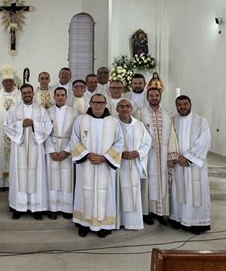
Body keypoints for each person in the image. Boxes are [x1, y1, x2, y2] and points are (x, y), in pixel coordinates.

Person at [71, 94, 123, 238]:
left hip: (105, 166)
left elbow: (119, 143)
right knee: (85, 192)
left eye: (101, 103)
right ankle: (84, 224)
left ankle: (104, 225)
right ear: (90, 103)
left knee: (104, 194)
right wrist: (87, 155)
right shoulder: (81, 120)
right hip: (86, 164)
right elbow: (74, 140)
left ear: (106, 104)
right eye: (95, 102)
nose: (98, 105)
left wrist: (105, 157)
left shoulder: (113, 122)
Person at [4, 84, 53, 220]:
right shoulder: (13, 110)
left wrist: (34, 124)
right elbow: (6, 126)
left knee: (35, 175)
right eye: (24, 92)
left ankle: (36, 208)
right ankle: (18, 207)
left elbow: (48, 126)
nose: (27, 94)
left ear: (33, 93)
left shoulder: (42, 110)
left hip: (35, 148)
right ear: (21, 94)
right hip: (19, 148)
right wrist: (20, 124)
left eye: (29, 92)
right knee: (18, 176)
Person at [170, 95, 211, 234]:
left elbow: (204, 141)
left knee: (195, 193)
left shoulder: (201, 121)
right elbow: (168, 141)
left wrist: (187, 157)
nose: (182, 107)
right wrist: (175, 156)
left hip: (194, 165)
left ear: (190, 104)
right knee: (179, 192)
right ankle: (178, 219)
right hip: (177, 165)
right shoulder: (172, 121)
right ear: (176, 106)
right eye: (179, 104)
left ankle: (197, 223)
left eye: (185, 104)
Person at [137, 88, 178, 225]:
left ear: (160, 96)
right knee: (147, 183)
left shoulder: (167, 114)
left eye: (156, 95)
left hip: (163, 155)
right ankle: (146, 213)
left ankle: (160, 213)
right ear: (147, 97)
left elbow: (172, 135)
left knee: (161, 183)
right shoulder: (141, 113)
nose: (154, 97)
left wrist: (171, 156)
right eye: (151, 95)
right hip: (147, 155)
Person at [116, 99, 151, 230]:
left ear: (131, 109)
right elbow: (106, 144)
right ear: (117, 109)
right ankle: (118, 221)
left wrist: (138, 153)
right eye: (121, 107)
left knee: (133, 192)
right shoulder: (112, 123)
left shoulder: (139, 125)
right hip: (118, 166)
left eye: (127, 106)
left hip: (134, 165)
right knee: (119, 192)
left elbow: (147, 142)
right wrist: (120, 154)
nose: (125, 109)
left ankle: (133, 222)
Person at [44, 87, 77, 219]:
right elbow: (45, 133)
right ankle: (53, 208)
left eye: (62, 95)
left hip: (67, 148)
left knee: (66, 179)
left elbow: (76, 135)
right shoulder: (47, 112)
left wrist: (67, 151)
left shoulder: (74, 112)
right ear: (54, 96)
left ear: (66, 96)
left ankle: (66, 208)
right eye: (57, 95)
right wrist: (51, 151)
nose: (60, 97)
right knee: (52, 178)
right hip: (52, 146)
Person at [0, 63, 22, 191]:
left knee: (14, 155)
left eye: (10, 81)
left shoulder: (20, 94)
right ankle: (1, 183)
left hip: (16, 131)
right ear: (2, 82)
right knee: (1, 155)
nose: (8, 83)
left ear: (14, 81)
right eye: (5, 81)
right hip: (1, 131)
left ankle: (13, 182)